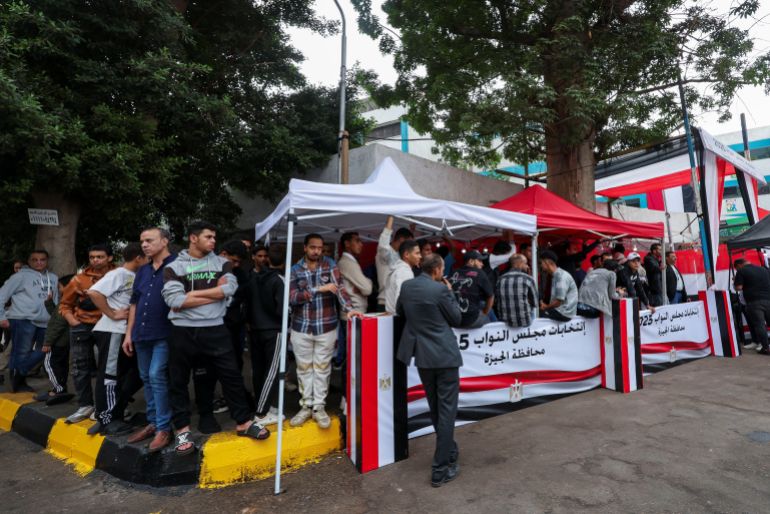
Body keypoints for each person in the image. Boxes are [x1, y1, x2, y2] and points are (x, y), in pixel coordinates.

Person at [162, 221, 269, 456]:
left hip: (215, 329)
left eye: (214, 237)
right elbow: (175, 301)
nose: (213, 241)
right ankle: (182, 430)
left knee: (231, 376)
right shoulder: (174, 266)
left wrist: (192, 293)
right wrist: (213, 295)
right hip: (183, 330)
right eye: (208, 237)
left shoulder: (223, 263)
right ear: (193, 238)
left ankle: (244, 423)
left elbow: (228, 290)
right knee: (178, 381)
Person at [395, 254, 462, 487]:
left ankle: (449, 450)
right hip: (444, 356)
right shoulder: (440, 290)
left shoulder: (407, 286)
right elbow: (456, 318)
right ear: (436, 270)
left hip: (423, 356)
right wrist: (450, 292)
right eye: (443, 268)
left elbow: (400, 312)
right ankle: (440, 469)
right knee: (446, 412)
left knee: (436, 408)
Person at [288, 233, 362, 428]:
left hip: (326, 326)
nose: (317, 251)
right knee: (304, 369)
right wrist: (318, 289)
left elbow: (340, 289)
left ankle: (318, 407)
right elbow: (292, 297)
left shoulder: (329, 264)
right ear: (305, 247)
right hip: (302, 326)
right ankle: (305, 406)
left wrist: (349, 308)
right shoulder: (294, 269)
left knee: (322, 368)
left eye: (320, 248)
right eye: (313, 247)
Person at [123, 227, 176, 450]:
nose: (144, 245)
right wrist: (129, 334)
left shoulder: (176, 266)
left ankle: (164, 428)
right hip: (141, 334)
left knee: (156, 376)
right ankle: (153, 423)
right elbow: (134, 302)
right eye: (142, 241)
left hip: (165, 332)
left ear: (164, 241)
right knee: (146, 377)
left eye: (149, 240)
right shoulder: (143, 271)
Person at [86, 243, 147, 436]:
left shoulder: (135, 276)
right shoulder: (118, 274)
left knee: (137, 373)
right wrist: (112, 313)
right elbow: (94, 292)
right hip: (112, 331)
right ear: (138, 258)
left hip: (126, 333)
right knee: (109, 376)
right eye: (147, 257)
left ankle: (115, 412)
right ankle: (106, 419)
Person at [60, 245, 116, 423]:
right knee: (79, 367)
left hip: (108, 325)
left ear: (109, 258)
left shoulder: (119, 275)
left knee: (107, 368)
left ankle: (105, 407)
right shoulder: (79, 279)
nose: (95, 260)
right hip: (82, 326)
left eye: (100, 257)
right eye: (92, 257)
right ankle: (85, 405)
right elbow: (64, 304)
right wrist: (72, 320)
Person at [0, 250, 59, 392]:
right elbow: (2, 295)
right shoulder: (20, 277)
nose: (39, 262)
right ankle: (18, 383)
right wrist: (1, 317)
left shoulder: (53, 278)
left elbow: (56, 300)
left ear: (47, 261)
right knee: (21, 352)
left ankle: (19, 373)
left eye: (42, 259)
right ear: (29, 261)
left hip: (46, 321)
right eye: (35, 260)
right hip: (22, 319)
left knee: (45, 349)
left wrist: (56, 319)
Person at [246, 245, 286, 427]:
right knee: (271, 372)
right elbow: (282, 310)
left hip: (255, 329)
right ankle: (261, 413)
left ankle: (264, 406)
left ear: (268, 260)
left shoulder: (254, 277)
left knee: (259, 371)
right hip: (273, 330)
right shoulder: (279, 280)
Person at [36, 274, 76, 404]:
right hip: (64, 341)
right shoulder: (71, 300)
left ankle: (58, 390)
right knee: (61, 366)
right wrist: (49, 303)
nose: (58, 289)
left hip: (57, 341)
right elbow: (56, 316)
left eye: (59, 286)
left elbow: (57, 324)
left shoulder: (65, 302)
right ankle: (60, 388)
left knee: (49, 365)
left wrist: (48, 342)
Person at [337, 232, 373, 367]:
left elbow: (365, 288)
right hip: (353, 314)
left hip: (352, 313)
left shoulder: (349, 261)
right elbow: (368, 289)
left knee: (352, 356)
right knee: (352, 357)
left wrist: (364, 284)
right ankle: (349, 388)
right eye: (357, 241)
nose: (361, 244)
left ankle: (349, 387)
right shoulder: (347, 262)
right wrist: (367, 282)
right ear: (347, 244)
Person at [376, 216, 413, 311]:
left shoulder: (399, 255)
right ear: (401, 240)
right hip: (385, 302)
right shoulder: (385, 253)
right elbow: (383, 244)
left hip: (397, 302)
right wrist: (391, 217)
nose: (410, 247)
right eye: (409, 243)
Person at [449, 250, 494, 328]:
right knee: (493, 326)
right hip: (470, 320)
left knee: (481, 303)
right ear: (471, 261)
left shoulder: (453, 272)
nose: (482, 264)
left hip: (453, 319)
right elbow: (491, 296)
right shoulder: (480, 273)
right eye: (479, 261)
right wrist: (485, 313)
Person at [733, 258, 770, 355]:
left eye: (736, 268)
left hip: (754, 302)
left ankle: (766, 348)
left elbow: (738, 287)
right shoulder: (763, 269)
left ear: (739, 265)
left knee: (759, 325)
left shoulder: (741, 271)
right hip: (768, 299)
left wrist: (735, 282)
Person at [495, 254, 537, 328]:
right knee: (533, 310)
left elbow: (497, 300)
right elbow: (535, 303)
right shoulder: (528, 279)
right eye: (525, 263)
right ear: (520, 264)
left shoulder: (500, 279)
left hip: (504, 321)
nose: (527, 266)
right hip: (525, 322)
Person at [538, 250, 578, 322]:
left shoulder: (561, 276)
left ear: (547, 262)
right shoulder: (555, 275)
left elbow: (558, 302)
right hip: (562, 311)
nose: (540, 265)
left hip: (564, 313)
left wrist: (546, 307)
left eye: (541, 263)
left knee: (538, 315)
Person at [385, 240, 421, 315]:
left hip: (394, 318)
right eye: (417, 253)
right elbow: (402, 301)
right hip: (399, 319)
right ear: (406, 254)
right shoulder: (404, 272)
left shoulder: (399, 269)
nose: (420, 256)